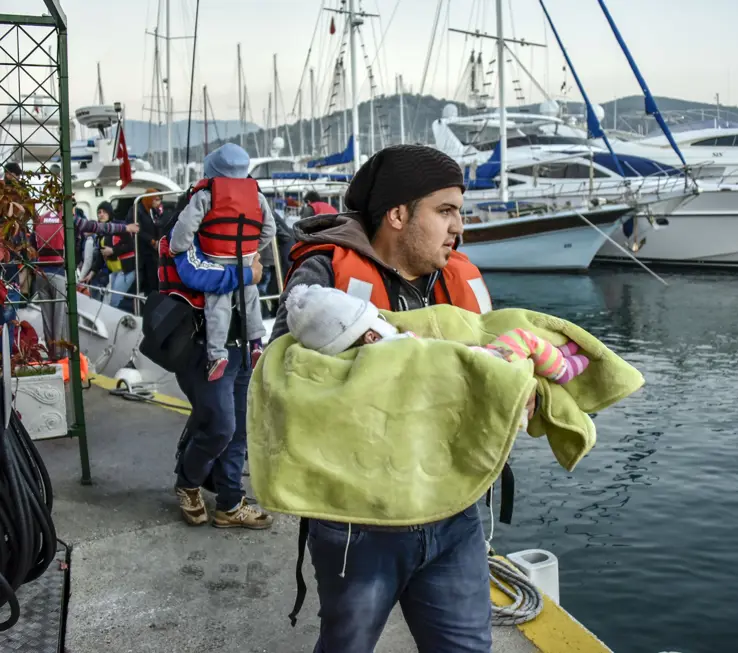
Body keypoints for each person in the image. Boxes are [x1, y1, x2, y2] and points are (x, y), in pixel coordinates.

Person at [272, 144, 504, 652]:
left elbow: (500, 360)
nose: (458, 227)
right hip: (358, 522)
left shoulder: (459, 276)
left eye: (459, 212)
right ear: (398, 215)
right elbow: (280, 378)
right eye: (445, 211)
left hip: (454, 511)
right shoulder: (323, 275)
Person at [156, 226, 275, 530]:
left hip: (241, 345)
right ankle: (188, 482)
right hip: (201, 349)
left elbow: (265, 247)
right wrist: (248, 273)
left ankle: (230, 502)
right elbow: (197, 276)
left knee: (238, 430)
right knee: (220, 426)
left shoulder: (235, 230)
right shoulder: (181, 232)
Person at [285, 282, 590, 383]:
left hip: (469, 362)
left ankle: (556, 356)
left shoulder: (359, 364)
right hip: (484, 363)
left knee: (526, 344)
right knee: (524, 338)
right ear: (371, 336)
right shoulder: (395, 345)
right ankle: (562, 368)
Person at [170, 143, 276, 381]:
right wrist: (252, 249)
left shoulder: (205, 195)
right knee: (250, 299)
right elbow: (270, 229)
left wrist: (177, 247)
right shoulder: (257, 196)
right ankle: (256, 343)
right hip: (246, 258)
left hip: (216, 258)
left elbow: (186, 226)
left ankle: (217, 355)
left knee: (218, 307)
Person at [32, 202, 139, 358]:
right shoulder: (69, 218)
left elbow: (32, 246)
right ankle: (60, 357)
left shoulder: (40, 220)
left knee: (47, 318)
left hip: (41, 274)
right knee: (60, 318)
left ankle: (51, 354)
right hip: (59, 273)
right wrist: (125, 228)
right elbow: (99, 227)